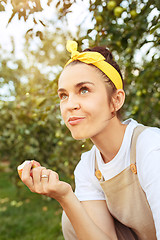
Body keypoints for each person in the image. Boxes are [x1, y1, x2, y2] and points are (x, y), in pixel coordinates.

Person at [21, 40, 160, 240]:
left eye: (84, 90)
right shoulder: (88, 165)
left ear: (116, 100)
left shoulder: (150, 147)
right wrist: (65, 196)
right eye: (63, 95)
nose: (70, 105)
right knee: (74, 215)